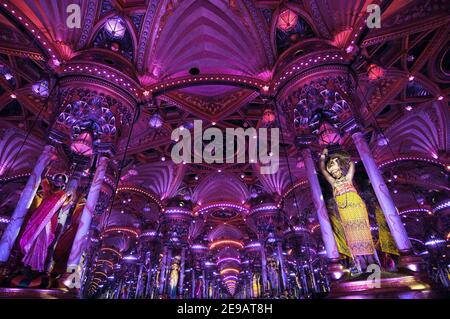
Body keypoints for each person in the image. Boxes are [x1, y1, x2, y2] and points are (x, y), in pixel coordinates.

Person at [319, 148, 378, 272]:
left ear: (341, 169)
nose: (335, 174)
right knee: (351, 236)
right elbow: (323, 169)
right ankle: (361, 265)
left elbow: (351, 164)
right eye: (333, 173)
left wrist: (340, 156)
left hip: (356, 207)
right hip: (344, 211)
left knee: (364, 233)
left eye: (336, 170)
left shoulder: (348, 179)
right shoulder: (334, 183)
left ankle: (372, 264)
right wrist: (323, 156)